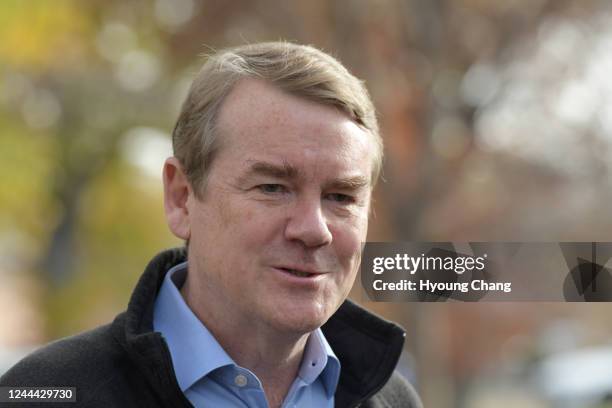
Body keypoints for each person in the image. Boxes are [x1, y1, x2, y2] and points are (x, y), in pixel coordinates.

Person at [0, 42, 422, 408]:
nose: (314, 230)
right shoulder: (46, 393)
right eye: (273, 187)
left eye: (341, 197)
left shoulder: (392, 401)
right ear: (181, 197)